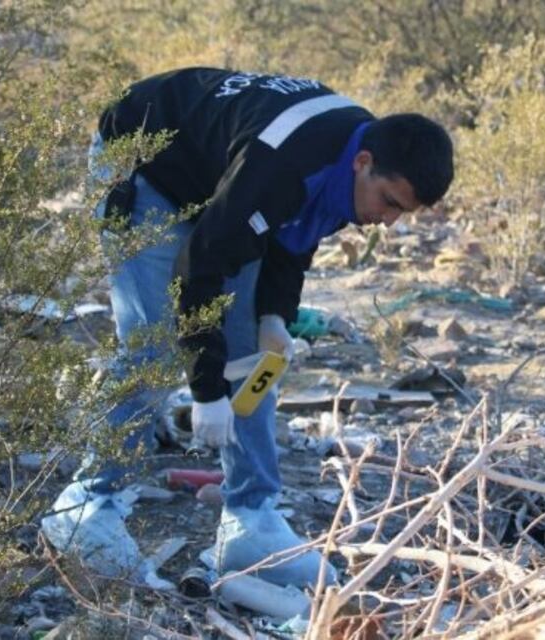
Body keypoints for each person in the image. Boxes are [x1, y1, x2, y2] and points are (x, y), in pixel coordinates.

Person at [41, 67, 455, 588]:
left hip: (221, 180)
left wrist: (274, 316)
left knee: (255, 349)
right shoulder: (283, 165)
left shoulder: (349, 165)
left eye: (404, 212)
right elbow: (199, 271)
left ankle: (251, 520)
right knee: (154, 341)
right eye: (390, 203)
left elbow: (293, 240)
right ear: (363, 163)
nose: (388, 221)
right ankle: (86, 505)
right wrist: (208, 391)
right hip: (143, 163)